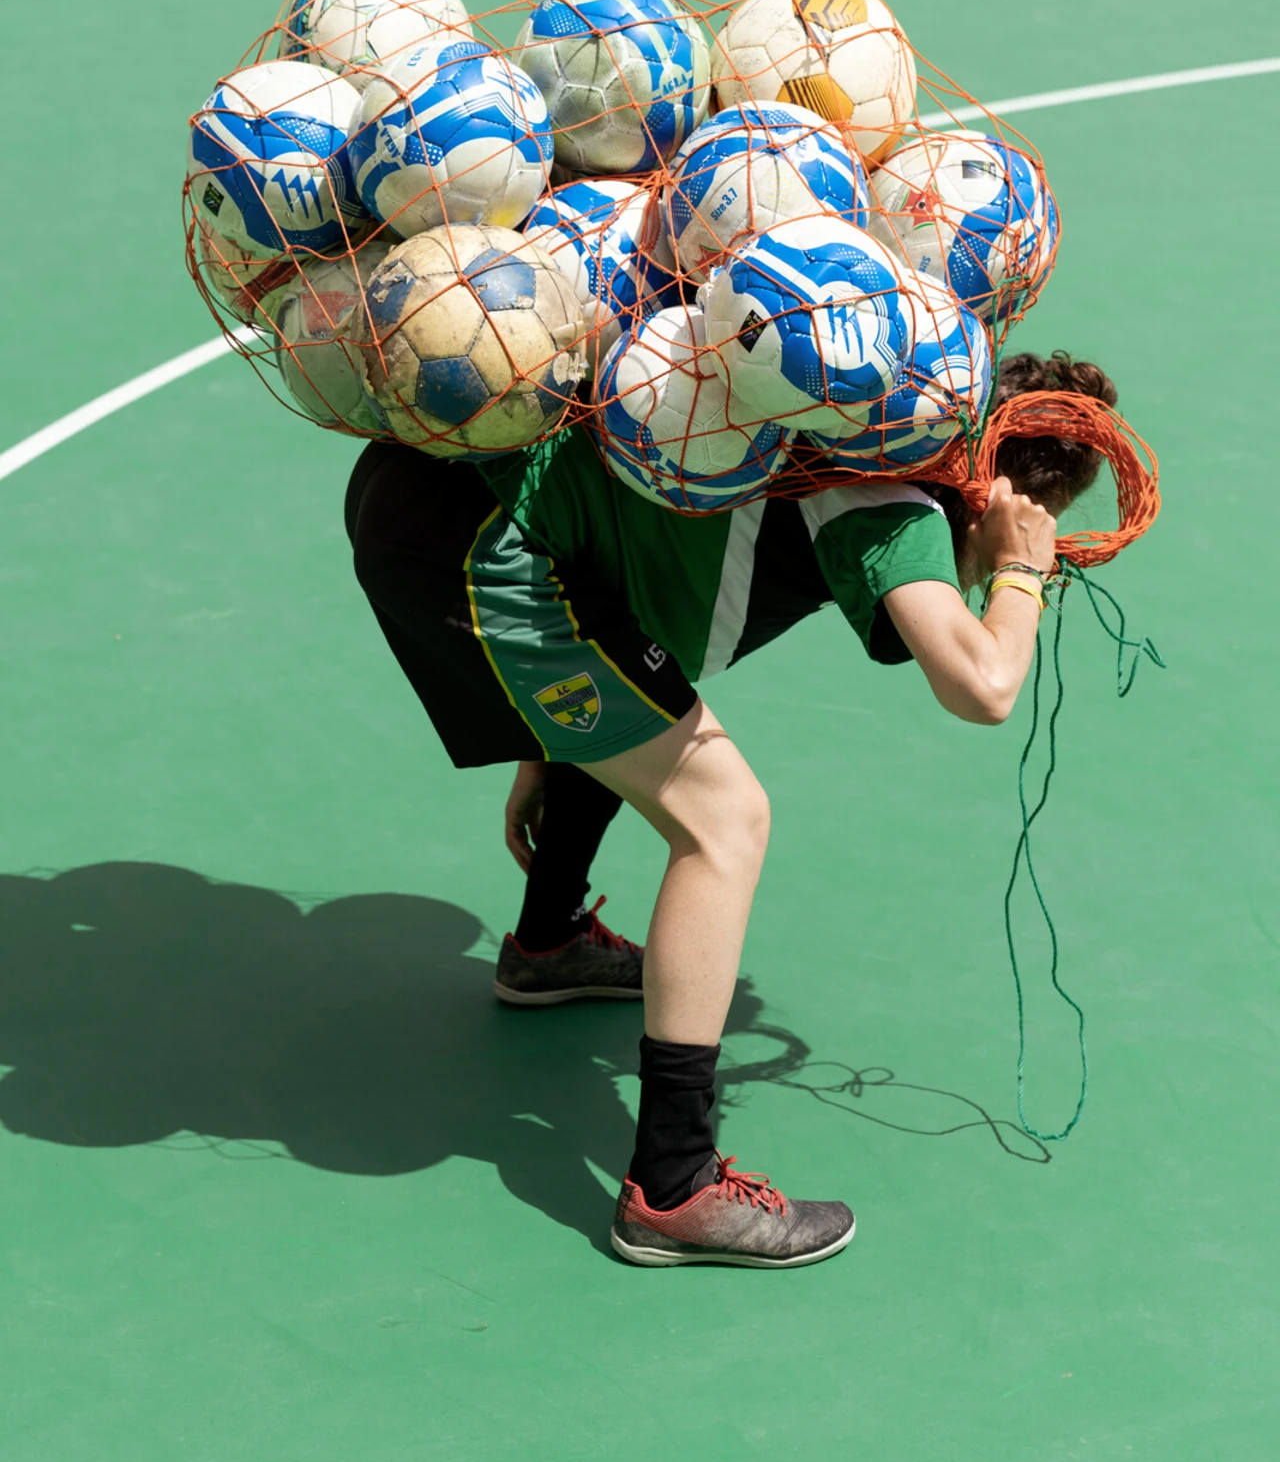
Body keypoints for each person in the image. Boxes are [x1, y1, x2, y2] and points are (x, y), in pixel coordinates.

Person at [345, 348, 1117, 1267]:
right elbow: (983, 685)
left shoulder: (829, 404)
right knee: (726, 820)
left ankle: (549, 943)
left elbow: (623, 588)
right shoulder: (893, 493)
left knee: (656, 706)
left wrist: (549, 733)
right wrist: (1021, 568)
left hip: (432, 489)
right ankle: (673, 1187)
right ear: (1001, 494)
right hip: (476, 550)